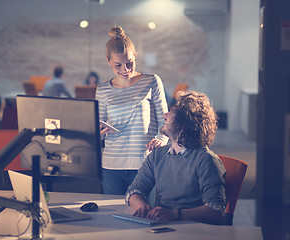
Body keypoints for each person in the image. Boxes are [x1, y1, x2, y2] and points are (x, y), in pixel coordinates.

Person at [125, 91, 227, 225]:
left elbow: (216, 210)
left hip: (194, 230)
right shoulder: (157, 155)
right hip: (162, 225)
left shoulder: (207, 160)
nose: (164, 115)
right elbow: (133, 191)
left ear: (185, 123)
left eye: (171, 112)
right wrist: (143, 207)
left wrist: (175, 214)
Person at [96, 26, 168, 195]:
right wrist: (97, 133)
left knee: (145, 216)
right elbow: (97, 130)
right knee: (111, 217)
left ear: (135, 56)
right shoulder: (102, 90)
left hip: (145, 164)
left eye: (129, 63)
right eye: (117, 65)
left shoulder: (151, 81)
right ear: (108, 61)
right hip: (111, 165)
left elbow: (165, 121)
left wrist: (161, 139)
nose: (125, 69)